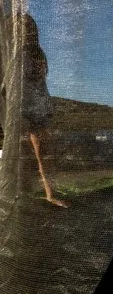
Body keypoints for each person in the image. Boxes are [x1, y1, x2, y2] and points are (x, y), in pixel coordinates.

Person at [18, 13, 67, 207]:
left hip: (37, 107)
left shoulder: (35, 52)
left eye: (28, 27)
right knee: (29, 151)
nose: (26, 31)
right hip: (23, 107)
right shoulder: (17, 52)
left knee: (43, 151)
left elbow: (38, 78)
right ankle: (37, 191)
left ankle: (49, 193)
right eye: (24, 27)